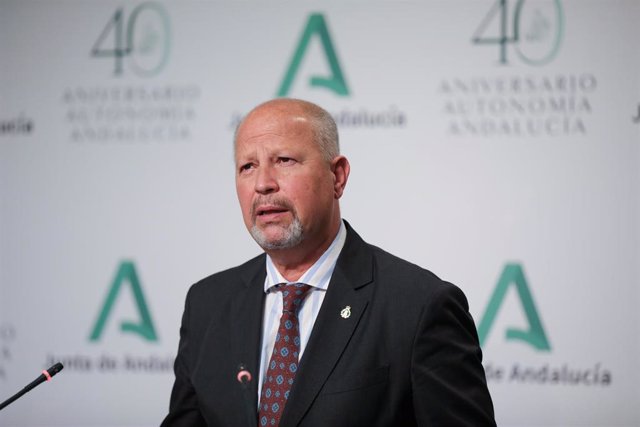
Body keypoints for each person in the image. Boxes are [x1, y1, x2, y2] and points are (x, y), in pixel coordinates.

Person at [161, 98, 496, 426]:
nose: (263, 183)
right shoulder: (207, 303)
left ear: (337, 177)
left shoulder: (419, 306)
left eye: (285, 160)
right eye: (247, 166)